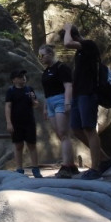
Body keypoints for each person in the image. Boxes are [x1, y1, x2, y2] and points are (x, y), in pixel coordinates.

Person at [62, 23, 111, 180]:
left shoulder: (89, 45)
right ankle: (105, 160)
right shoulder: (80, 52)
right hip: (78, 95)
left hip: (88, 94)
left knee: (89, 129)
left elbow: (67, 43)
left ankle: (95, 168)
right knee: (76, 129)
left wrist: (67, 29)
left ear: (74, 36)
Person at [39, 44, 79, 178]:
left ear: (50, 54)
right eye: (39, 56)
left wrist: (67, 102)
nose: (41, 58)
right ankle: (71, 165)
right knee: (59, 134)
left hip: (61, 100)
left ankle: (66, 166)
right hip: (50, 102)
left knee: (63, 133)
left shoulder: (62, 68)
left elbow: (68, 86)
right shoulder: (46, 72)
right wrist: (45, 108)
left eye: (42, 55)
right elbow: (46, 91)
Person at [5, 69, 42, 178]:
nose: (23, 78)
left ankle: (36, 169)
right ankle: (19, 169)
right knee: (18, 145)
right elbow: (8, 106)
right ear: (14, 80)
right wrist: (9, 122)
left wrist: (34, 101)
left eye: (24, 76)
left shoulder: (29, 89)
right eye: (20, 76)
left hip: (29, 121)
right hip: (16, 122)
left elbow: (35, 104)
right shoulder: (11, 91)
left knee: (32, 144)